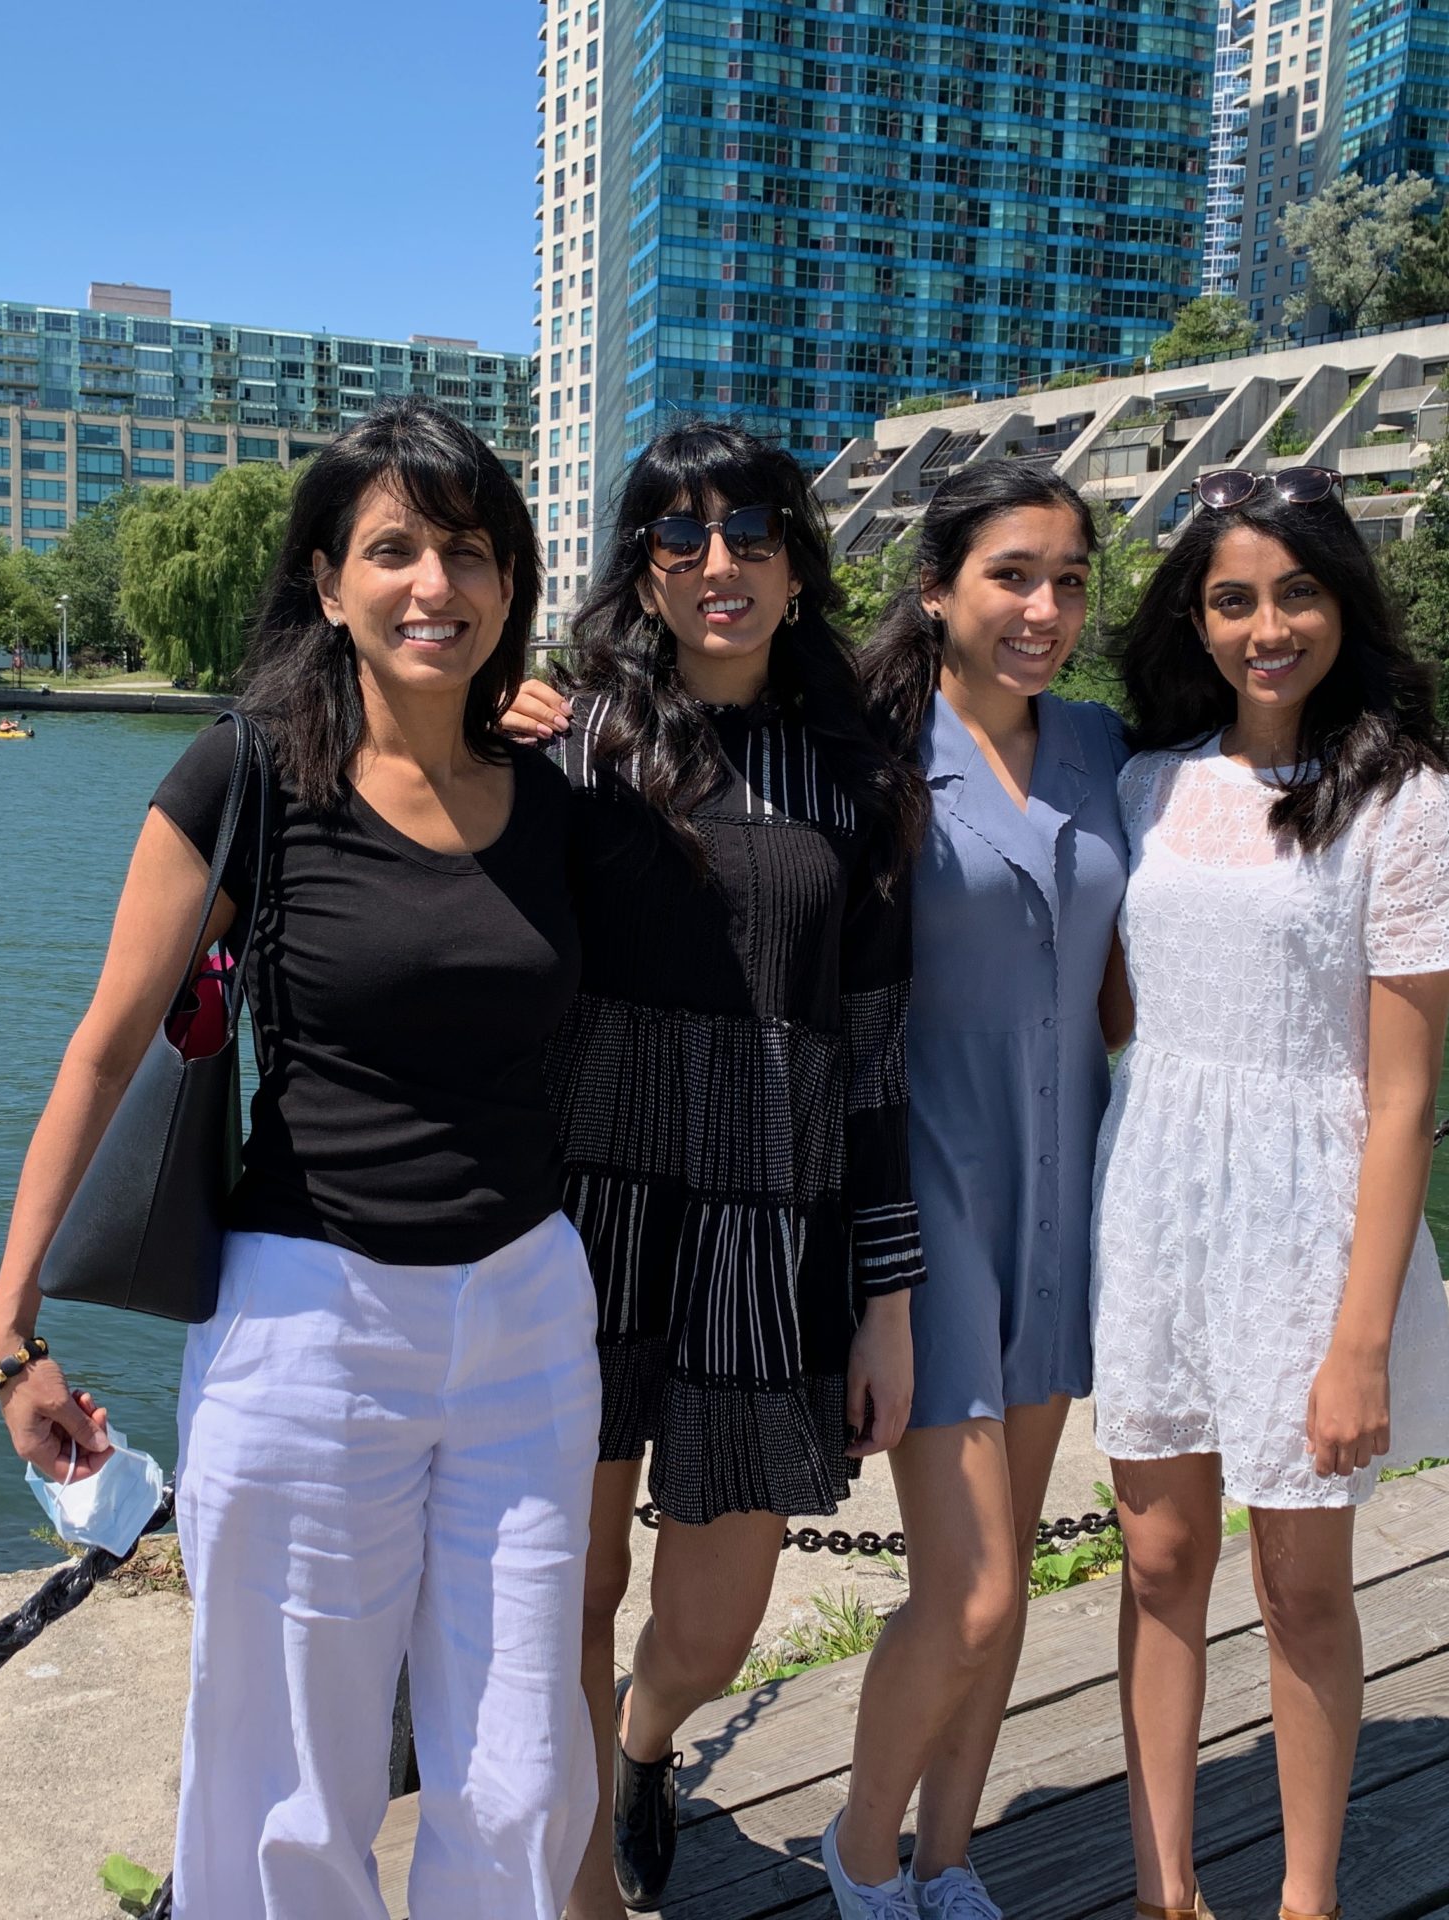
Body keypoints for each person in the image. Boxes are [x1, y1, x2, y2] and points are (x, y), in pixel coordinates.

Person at [0, 399, 600, 1919]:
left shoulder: (558, 794)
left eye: (467, 552)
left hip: (527, 1312)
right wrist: (13, 1338)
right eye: (391, 551)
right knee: (285, 1784)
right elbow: (105, 1046)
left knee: (524, 1771)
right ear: (329, 583)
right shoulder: (247, 774)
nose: (431, 586)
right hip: (312, 1323)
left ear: (510, 582)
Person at [507, 421, 929, 1918]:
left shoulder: (859, 778)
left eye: (753, 531)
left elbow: (875, 1058)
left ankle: (644, 1741)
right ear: (645, 570)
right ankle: (580, 1889)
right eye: (679, 536)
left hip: (773, 1219)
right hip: (587, 1212)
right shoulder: (567, 747)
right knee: (571, 1580)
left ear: (801, 570)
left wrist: (887, 1302)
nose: (719, 561)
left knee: (709, 1618)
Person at [1094, 465, 1449, 1920]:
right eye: (1235, 599)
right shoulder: (1147, 781)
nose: (1269, 627)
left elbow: (1401, 1096)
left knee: (1301, 1584)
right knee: (1158, 1560)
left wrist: (1361, 1336)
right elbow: (1121, 1014)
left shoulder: (1405, 797)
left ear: (1344, 602)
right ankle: (1162, 1889)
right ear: (1195, 621)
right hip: (1152, 1204)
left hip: (1308, 1222)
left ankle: (1304, 1901)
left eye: (1298, 592)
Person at [823, 460, 1131, 1919]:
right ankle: (862, 1851)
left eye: (1071, 579)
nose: (1047, 608)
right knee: (977, 1583)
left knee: (1008, 1574)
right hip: (928, 1193)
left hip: (1067, 1190)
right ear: (938, 589)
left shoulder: (1103, 746)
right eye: (1015, 574)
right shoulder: (868, 759)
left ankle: (952, 1856)